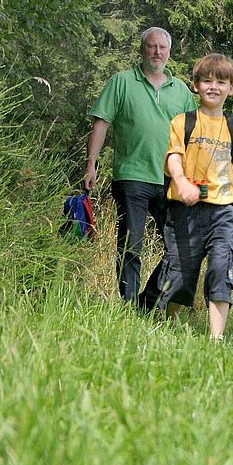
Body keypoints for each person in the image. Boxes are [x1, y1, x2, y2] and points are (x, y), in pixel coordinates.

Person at [156, 53, 233, 340]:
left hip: (224, 212)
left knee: (222, 269)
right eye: (207, 81)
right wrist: (181, 182)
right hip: (185, 210)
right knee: (181, 272)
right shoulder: (183, 122)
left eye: (221, 82)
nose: (213, 87)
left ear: (231, 88)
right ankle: (170, 326)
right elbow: (173, 158)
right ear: (195, 85)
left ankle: (216, 337)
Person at [85, 27, 196, 305]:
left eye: (162, 48)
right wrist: (91, 164)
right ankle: (129, 304)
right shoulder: (121, 82)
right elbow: (101, 124)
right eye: (151, 46)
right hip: (132, 175)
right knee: (131, 245)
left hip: (171, 179)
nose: (157, 52)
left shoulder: (181, 90)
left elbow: (193, 135)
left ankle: (149, 301)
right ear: (142, 49)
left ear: (169, 53)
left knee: (179, 246)